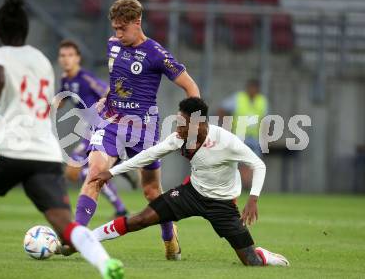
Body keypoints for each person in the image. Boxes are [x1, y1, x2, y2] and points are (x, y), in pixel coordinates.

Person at [0, 0, 123, 279]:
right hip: (45, 154)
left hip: (10, 150)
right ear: (27, 30)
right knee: (63, 223)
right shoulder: (42, 61)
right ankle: (105, 264)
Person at [91, 97, 289, 267]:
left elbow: (258, 164)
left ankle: (262, 255)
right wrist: (112, 172)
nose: (178, 128)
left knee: (251, 261)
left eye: (182, 123)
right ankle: (88, 239)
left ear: (198, 124)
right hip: (191, 193)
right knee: (141, 219)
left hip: (222, 204)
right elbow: (148, 155)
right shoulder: (179, 137)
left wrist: (253, 198)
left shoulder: (226, 141)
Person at [74, 0, 200, 261]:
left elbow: (191, 87)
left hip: (144, 129)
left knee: (151, 191)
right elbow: (119, 81)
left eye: (122, 28)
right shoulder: (113, 46)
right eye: (115, 29)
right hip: (110, 123)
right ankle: (75, 237)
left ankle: (169, 236)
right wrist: (105, 99)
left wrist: (190, 124)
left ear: (137, 22)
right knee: (95, 173)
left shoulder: (156, 53)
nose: (117, 34)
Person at [57, 39, 136, 218]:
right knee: (74, 171)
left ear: (78, 58)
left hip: (101, 124)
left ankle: (120, 207)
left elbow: (109, 91)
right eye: (62, 56)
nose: (66, 59)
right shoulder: (65, 79)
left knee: (76, 166)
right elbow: (61, 100)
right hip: (89, 126)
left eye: (70, 55)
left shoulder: (85, 78)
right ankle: (117, 179)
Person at [218, 79, 268, 187]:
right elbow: (222, 109)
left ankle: (246, 185)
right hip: (239, 135)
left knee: (254, 162)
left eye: (255, 88)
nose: (253, 90)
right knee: (237, 162)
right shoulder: (238, 97)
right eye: (251, 88)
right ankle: (239, 184)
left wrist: (265, 137)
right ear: (248, 88)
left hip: (255, 137)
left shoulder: (262, 100)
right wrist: (226, 127)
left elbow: (265, 119)